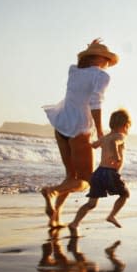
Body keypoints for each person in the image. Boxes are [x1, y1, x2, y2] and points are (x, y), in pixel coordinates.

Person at [41, 39, 119, 228]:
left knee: (71, 177)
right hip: (79, 129)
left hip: (61, 124)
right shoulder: (101, 76)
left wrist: (89, 49)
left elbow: (82, 76)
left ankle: (55, 217)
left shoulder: (73, 71)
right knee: (84, 180)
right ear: (99, 58)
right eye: (106, 58)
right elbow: (95, 103)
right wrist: (101, 133)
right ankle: (52, 191)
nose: (108, 62)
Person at [68, 109, 131, 235]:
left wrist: (82, 143)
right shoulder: (119, 136)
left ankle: (75, 223)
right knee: (125, 195)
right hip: (110, 173)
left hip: (98, 173)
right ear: (125, 125)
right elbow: (114, 143)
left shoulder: (105, 137)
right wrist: (116, 155)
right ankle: (112, 216)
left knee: (91, 204)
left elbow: (94, 145)